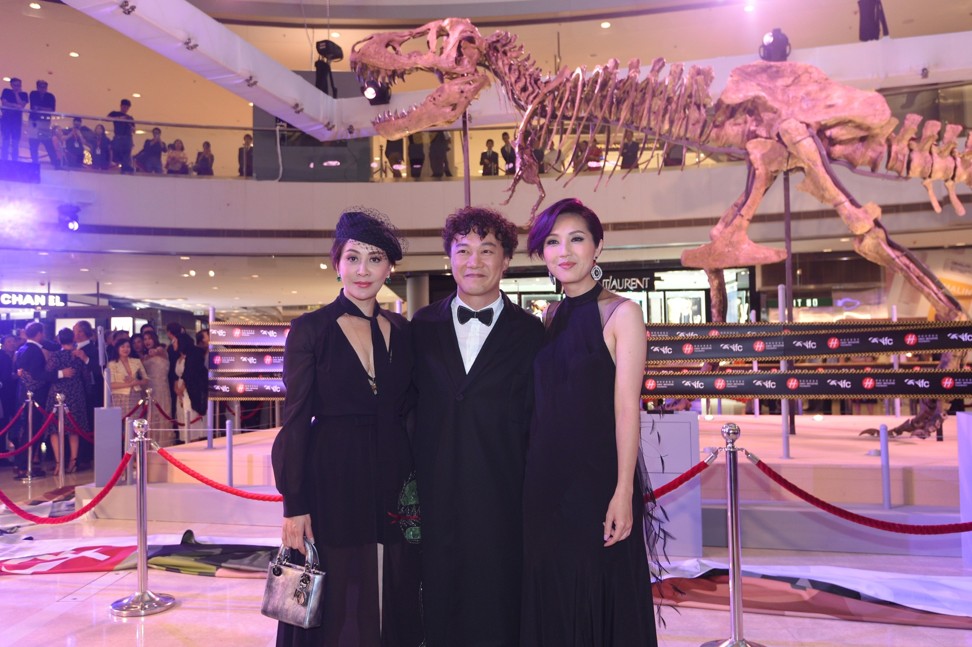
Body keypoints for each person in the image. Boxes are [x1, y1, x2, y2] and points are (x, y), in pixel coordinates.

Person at [271, 208, 423, 647]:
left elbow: (412, 407)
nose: (363, 270)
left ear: (389, 268)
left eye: (375, 259)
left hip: (393, 473)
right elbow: (295, 417)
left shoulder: (403, 329)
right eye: (353, 257)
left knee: (392, 583)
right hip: (332, 474)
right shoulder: (310, 329)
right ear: (336, 261)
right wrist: (293, 503)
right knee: (336, 590)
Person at [521, 198, 658, 646]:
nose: (565, 251)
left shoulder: (622, 314)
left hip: (596, 483)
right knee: (554, 596)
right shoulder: (550, 316)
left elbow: (625, 409)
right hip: (544, 485)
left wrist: (623, 492)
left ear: (597, 246)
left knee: (596, 592)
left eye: (577, 239)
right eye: (553, 242)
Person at [411, 206, 544, 647]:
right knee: (437, 607)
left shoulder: (532, 334)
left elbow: (540, 420)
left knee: (499, 608)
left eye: (487, 250)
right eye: (463, 250)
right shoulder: (421, 327)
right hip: (434, 495)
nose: (474, 261)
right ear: (448, 258)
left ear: (506, 260)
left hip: (503, 496)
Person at [13, 322, 64, 478]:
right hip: (35, 396)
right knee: (32, 430)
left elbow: (18, 372)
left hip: (24, 394)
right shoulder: (34, 351)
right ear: (40, 333)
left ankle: (22, 464)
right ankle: (24, 465)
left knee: (27, 429)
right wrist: (61, 373)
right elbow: (38, 374)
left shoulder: (22, 349)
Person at [45, 328, 90, 475]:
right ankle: (73, 461)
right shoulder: (78, 355)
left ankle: (59, 463)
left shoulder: (55, 356)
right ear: (73, 339)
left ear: (59, 340)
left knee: (54, 429)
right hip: (76, 392)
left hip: (57, 392)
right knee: (74, 428)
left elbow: (48, 373)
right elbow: (85, 374)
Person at [72, 320, 103, 469]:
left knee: (88, 423)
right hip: (76, 393)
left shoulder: (93, 349)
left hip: (90, 393)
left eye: (76, 331)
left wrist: (85, 359)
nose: (74, 334)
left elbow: (99, 370)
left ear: (82, 333)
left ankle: (86, 456)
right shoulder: (71, 348)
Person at [172, 332, 207, 443]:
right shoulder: (177, 357)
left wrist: (183, 387)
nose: (172, 343)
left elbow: (192, 373)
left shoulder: (194, 354)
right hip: (179, 389)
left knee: (190, 413)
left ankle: (195, 439)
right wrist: (176, 387)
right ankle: (185, 440)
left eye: (174, 341)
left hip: (190, 388)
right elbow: (175, 375)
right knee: (182, 414)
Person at [141, 331, 172, 445]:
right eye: (144, 339)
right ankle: (151, 441)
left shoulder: (161, 350)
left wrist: (155, 352)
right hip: (148, 387)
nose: (147, 341)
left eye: (149, 338)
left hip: (161, 386)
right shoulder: (144, 356)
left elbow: (159, 351)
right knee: (150, 414)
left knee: (162, 411)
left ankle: (163, 442)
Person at [108, 337, 149, 417]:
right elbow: (111, 385)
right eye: (122, 347)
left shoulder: (136, 361)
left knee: (135, 420)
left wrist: (136, 382)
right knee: (120, 422)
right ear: (117, 348)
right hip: (119, 396)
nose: (126, 349)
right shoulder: (112, 364)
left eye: (128, 347)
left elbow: (146, 380)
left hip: (135, 395)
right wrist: (130, 384)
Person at [28, 80, 59, 168]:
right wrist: (44, 109)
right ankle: (34, 162)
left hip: (45, 123)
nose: (42, 89)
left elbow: (51, 110)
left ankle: (55, 163)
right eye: (41, 87)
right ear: (37, 87)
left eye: (44, 87)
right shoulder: (33, 94)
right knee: (33, 143)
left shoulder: (50, 96)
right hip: (34, 122)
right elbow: (34, 107)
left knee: (48, 143)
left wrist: (40, 108)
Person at [1, 77, 28, 161]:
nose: (16, 87)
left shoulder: (24, 94)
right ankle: (4, 160)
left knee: (15, 142)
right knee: (5, 140)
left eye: (18, 85)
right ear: (11, 85)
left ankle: (14, 160)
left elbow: (22, 105)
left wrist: (16, 94)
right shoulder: (6, 91)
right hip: (6, 120)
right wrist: (16, 106)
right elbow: (4, 103)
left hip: (16, 121)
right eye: (15, 85)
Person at [107, 99, 135, 174]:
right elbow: (107, 118)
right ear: (121, 106)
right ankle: (121, 164)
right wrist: (119, 118)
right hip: (118, 136)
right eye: (124, 107)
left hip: (127, 137)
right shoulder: (115, 113)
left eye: (127, 107)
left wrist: (131, 126)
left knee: (127, 153)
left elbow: (134, 130)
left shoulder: (130, 118)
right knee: (117, 151)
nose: (125, 109)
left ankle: (125, 167)